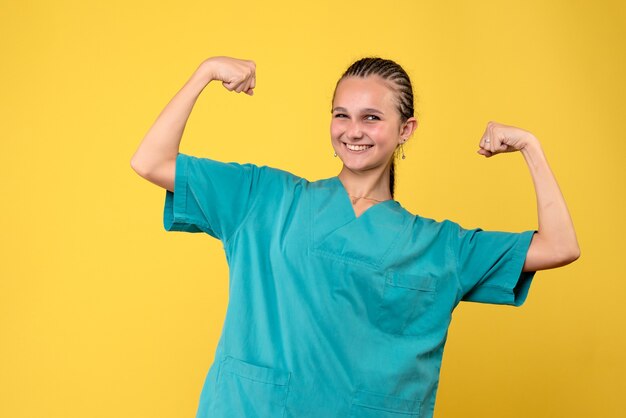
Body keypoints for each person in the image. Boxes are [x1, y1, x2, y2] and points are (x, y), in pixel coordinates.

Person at [131, 55, 580, 418]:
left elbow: (560, 247)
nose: (353, 130)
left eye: (371, 117)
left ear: (406, 130)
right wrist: (205, 73)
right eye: (341, 115)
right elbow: (150, 161)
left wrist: (530, 147)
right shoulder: (263, 198)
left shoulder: (439, 246)